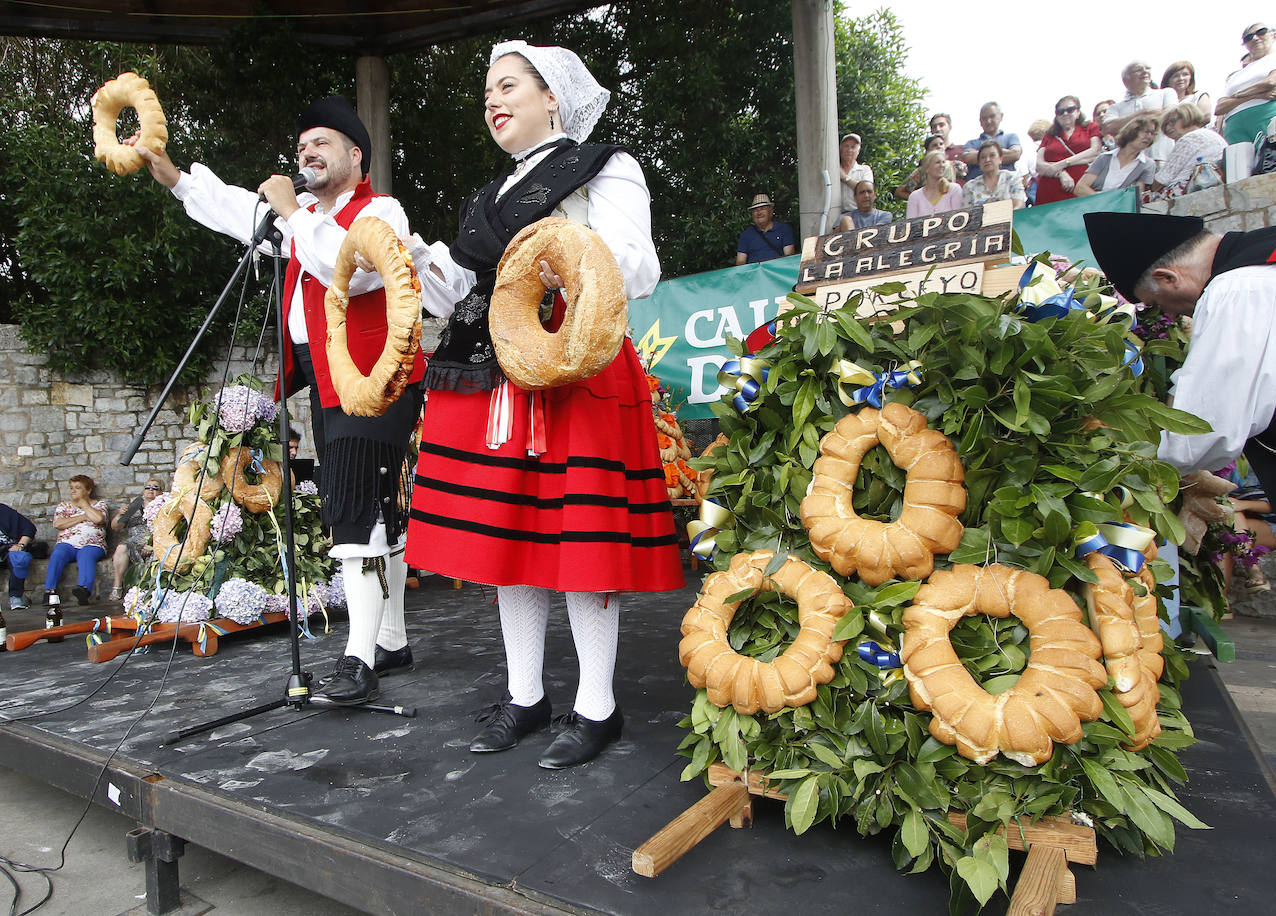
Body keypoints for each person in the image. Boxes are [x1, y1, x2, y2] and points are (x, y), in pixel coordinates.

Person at [405, 40, 684, 770]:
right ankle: (524, 696)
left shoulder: (604, 165)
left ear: (552, 96)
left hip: (572, 365)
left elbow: (634, 263)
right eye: (487, 93)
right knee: (510, 542)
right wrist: (413, 262)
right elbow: (458, 295)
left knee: (582, 539)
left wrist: (556, 256)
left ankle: (598, 706)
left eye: (508, 87)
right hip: (489, 375)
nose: (492, 101)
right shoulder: (485, 199)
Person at [1084, 210, 1276, 903]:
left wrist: (1156, 473)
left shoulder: (1240, 287)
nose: (1173, 316)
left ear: (1167, 277)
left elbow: (1203, 427)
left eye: (1162, 306)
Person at [131, 96, 448, 703]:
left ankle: (358, 661)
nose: (307, 152)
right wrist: (172, 176)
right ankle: (392, 639)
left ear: (355, 155)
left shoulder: (380, 209)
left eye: (322, 142)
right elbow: (232, 209)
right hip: (327, 380)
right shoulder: (298, 214)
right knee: (378, 511)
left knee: (355, 510)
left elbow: (346, 266)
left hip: (377, 377)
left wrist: (288, 212)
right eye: (302, 145)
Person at [1216, 23, 1276, 144]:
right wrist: (1254, 95)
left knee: (1275, 158)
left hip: (1269, 114)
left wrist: (1237, 95)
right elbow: (1220, 107)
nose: (1255, 38)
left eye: (1261, 32)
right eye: (1248, 37)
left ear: (1273, 35)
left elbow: (1271, 81)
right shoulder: (1235, 75)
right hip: (1234, 125)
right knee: (1238, 161)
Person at [44, 475, 107, 621]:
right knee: (58, 553)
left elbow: (98, 519)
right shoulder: (64, 506)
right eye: (71, 487)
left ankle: (84, 590)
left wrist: (85, 505)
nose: (73, 491)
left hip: (92, 543)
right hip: (68, 543)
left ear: (88, 490)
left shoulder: (99, 505)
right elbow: (58, 524)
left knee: (86, 555)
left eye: (78, 488)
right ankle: (49, 591)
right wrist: (83, 517)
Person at [1104, 62, 1177, 167]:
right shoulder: (1115, 107)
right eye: (1138, 69)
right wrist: (1143, 113)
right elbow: (1108, 127)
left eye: (1147, 68)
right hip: (1128, 163)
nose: (1145, 71)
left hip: (1162, 159)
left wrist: (1125, 123)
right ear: (1126, 79)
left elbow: (1170, 115)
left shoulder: (1166, 93)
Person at [1036, 95, 1103, 205]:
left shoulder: (1090, 127)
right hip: (1051, 192)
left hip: (1082, 188)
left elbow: (1095, 152)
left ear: (1078, 112)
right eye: (1060, 111)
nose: (1065, 113)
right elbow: (1039, 166)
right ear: (1056, 116)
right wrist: (1061, 173)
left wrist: (1063, 164)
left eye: (1070, 109)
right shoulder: (1049, 136)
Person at [1154, 103, 1228, 195]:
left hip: (1190, 191)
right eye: (1165, 126)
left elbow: (1162, 179)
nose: (1168, 127)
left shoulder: (1190, 138)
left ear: (1187, 116)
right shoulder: (1211, 135)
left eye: (1172, 121)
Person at [109, 477, 164, 600]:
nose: (151, 490)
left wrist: (152, 544)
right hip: (134, 541)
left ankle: (150, 592)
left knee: (157, 555)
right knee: (122, 547)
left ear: (161, 492)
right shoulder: (135, 505)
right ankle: (117, 587)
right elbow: (116, 526)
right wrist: (120, 514)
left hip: (155, 541)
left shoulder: (163, 506)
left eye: (155, 488)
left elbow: (166, 529)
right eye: (148, 487)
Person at [1076, 115, 1158, 196]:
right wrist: (1105, 202)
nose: (1149, 137)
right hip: (1095, 206)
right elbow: (1080, 188)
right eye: (1146, 132)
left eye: (1153, 133)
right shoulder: (1104, 158)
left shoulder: (1148, 165)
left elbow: (1138, 197)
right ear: (1132, 131)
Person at [960, 102, 1021, 181]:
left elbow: (1015, 154)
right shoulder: (971, 143)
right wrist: (1003, 153)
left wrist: (979, 154)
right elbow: (967, 158)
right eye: (984, 118)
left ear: (1001, 116)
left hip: (1007, 188)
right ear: (980, 121)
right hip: (977, 190)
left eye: (992, 116)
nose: (988, 121)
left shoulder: (1011, 137)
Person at [962, 141, 1026, 209]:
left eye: (992, 155)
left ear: (1000, 159)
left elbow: (1019, 205)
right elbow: (968, 214)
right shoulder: (970, 186)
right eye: (983, 157)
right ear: (979, 162)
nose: (987, 160)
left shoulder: (1013, 178)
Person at [735, 194, 796, 264]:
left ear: (771, 211)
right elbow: (740, 262)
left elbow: (789, 258)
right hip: (754, 273)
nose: (759, 212)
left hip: (778, 272)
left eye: (762, 208)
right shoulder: (746, 235)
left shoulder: (784, 229)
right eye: (755, 210)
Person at [0, 503, 37, 612]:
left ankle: (16, 597)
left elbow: (29, 528)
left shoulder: (2, 510)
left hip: (9, 548)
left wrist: (20, 545)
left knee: (19, 558)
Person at [905, 149, 963, 218]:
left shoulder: (954, 189)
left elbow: (959, 219)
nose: (942, 165)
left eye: (943, 162)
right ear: (927, 168)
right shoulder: (914, 196)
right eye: (938, 162)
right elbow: (911, 225)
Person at [838, 132, 874, 213]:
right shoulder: (833, 169)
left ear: (858, 151)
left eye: (853, 147)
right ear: (840, 148)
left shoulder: (865, 170)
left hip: (859, 214)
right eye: (846, 146)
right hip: (834, 215)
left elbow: (865, 191)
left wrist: (845, 178)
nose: (849, 150)